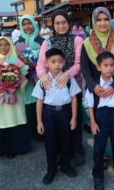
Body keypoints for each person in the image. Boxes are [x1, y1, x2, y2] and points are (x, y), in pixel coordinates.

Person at [36, 9, 85, 165]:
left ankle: (76, 151)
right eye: (57, 23)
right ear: (53, 25)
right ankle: (58, 152)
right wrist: (42, 75)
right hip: (52, 88)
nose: (61, 26)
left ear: (68, 23)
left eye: (64, 22)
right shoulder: (47, 42)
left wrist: (67, 74)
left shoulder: (77, 40)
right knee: (56, 123)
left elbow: (79, 63)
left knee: (73, 120)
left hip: (71, 85)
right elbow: (40, 64)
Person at [80, 7, 114, 170]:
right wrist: (93, 86)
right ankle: (102, 157)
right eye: (98, 20)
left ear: (110, 20)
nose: (102, 23)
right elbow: (85, 68)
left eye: (106, 19)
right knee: (99, 130)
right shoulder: (86, 43)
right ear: (94, 21)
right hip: (97, 90)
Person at [32, 48, 81, 185]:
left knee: (66, 140)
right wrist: (39, 121)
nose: (57, 64)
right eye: (53, 62)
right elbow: (39, 101)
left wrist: (73, 118)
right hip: (49, 114)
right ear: (47, 63)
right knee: (50, 143)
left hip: (65, 113)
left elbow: (74, 99)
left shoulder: (68, 79)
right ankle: (51, 169)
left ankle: (65, 165)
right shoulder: (43, 81)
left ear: (64, 62)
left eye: (60, 61)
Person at [85, 51, 114, 190]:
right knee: (99, 148)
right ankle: (98, 175)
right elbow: (90, 106)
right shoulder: (93, 85)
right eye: (105, 65)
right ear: (99, 67)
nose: (109, 68)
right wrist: (92, 123)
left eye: (111, 65)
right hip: (100, 117)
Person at [0, 37, 31, 158]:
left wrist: (16, 86)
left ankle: (21, 146)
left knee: (18, 117)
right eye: (0, 45)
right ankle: (7, 149)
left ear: (10, 46)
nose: (3, 47)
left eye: (6, 45)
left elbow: (23, 77)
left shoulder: (16, 60)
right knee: (4, 120)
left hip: (15, 95)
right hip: (1, 97)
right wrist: (0, 90)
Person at [14, 15, 45, 140]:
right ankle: (33, 132)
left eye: (29, 23)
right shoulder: (18, 43)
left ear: (34, 24)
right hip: (27, 80)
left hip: (41, 78)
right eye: (24, 24)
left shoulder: (42, 41)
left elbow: (46, 59)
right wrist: (24, 71)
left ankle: (44, 130)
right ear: (21, 26)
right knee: (29, 104)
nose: (27, 26)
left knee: (42, 102)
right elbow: (14, 60)